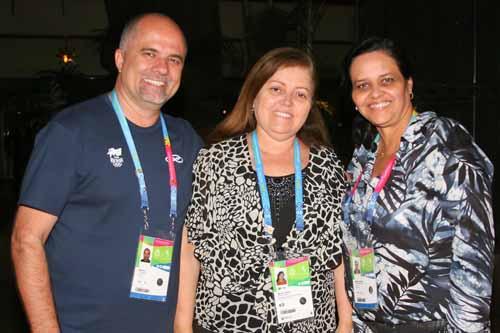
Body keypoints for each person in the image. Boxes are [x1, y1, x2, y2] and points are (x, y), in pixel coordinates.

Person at [10, 13, 203, 333]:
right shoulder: (72, 132)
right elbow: (26, 239)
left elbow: (187, 241)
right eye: (149, 53)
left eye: (175, 59)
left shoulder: (186, 139)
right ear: (120, 58)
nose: (162, 68)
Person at [175, 47, 352, 333]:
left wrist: (345, 321)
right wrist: (182, 324)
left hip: (309, 325)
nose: (287, 101)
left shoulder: (327, 166)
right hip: (227, 323)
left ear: (309, 106)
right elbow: (191, 245)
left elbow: (339, 252)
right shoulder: (215, 161)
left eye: (300, 94)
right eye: (276, 88)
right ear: (254, 97)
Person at [340, 36, 495, 333]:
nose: (375, 93)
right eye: (362, 85)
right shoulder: (363, 158)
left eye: (387, 80)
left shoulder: (447, 147)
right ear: (354, 98)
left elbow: (473, 263)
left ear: (408, 86)